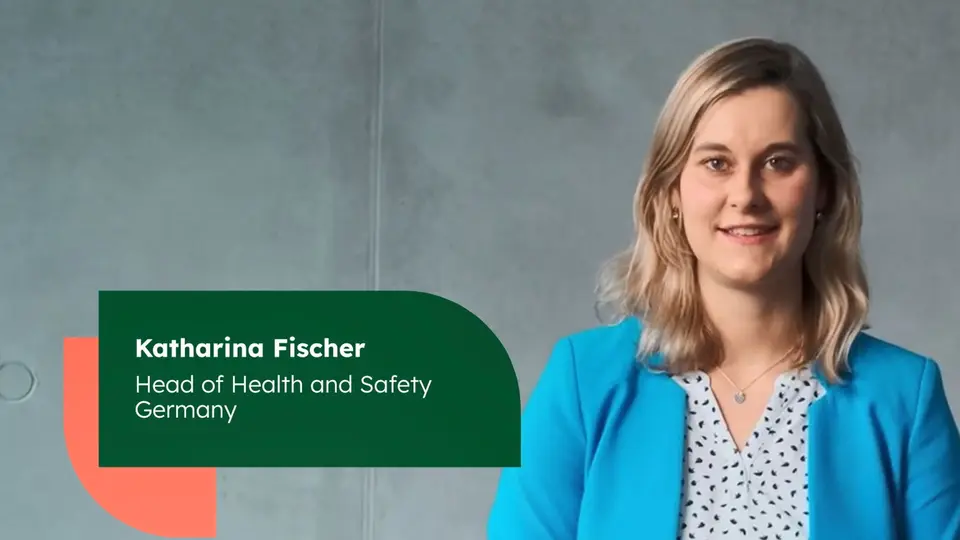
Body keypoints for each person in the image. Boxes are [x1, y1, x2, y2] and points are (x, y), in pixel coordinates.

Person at [487, 36, 960, 540]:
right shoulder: (582, 385)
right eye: (716, 163)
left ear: (824, 187)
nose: (746, 195)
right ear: (671, 190)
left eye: (778, 162)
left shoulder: (905, 398)